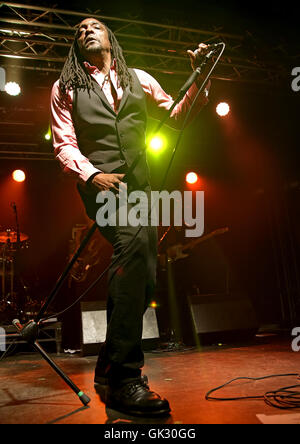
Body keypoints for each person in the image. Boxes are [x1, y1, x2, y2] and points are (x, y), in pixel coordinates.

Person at [50, 17, 210, 417]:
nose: (86, 29)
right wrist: (93, 175)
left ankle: (107, 362)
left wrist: (202, 79)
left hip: (141, 188)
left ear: (110, 38)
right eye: (79, 29)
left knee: (145, 274)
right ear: (76, 44)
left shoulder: (138, 77)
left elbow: (176, 114)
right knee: (135, 247)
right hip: (101, 188)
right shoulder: (65, 87)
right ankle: (125, 377)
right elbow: (64, 144)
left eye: (95, 26)